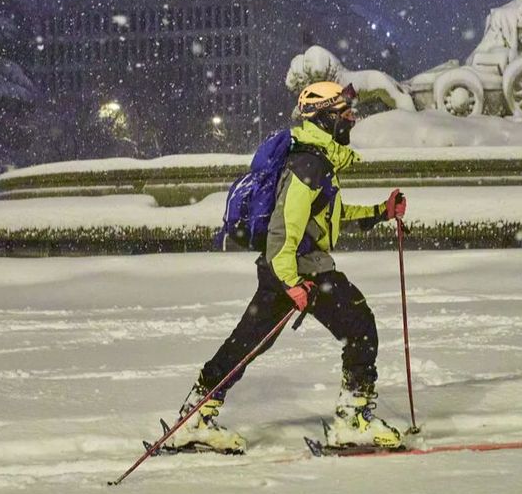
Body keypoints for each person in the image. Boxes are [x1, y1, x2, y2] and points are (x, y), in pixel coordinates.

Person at [164, 81, 407, 453]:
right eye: (344, 113)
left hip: (290, 270)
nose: (352, 119)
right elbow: (282, 231)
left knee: (246, 343)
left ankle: (194, 417)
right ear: (326, 118)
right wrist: (292, 282)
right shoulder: (309, 164)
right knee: (360, 327)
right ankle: (353, 420)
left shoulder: (316, 160)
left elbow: (330, 218)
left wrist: (381, 213)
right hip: (302, 272)